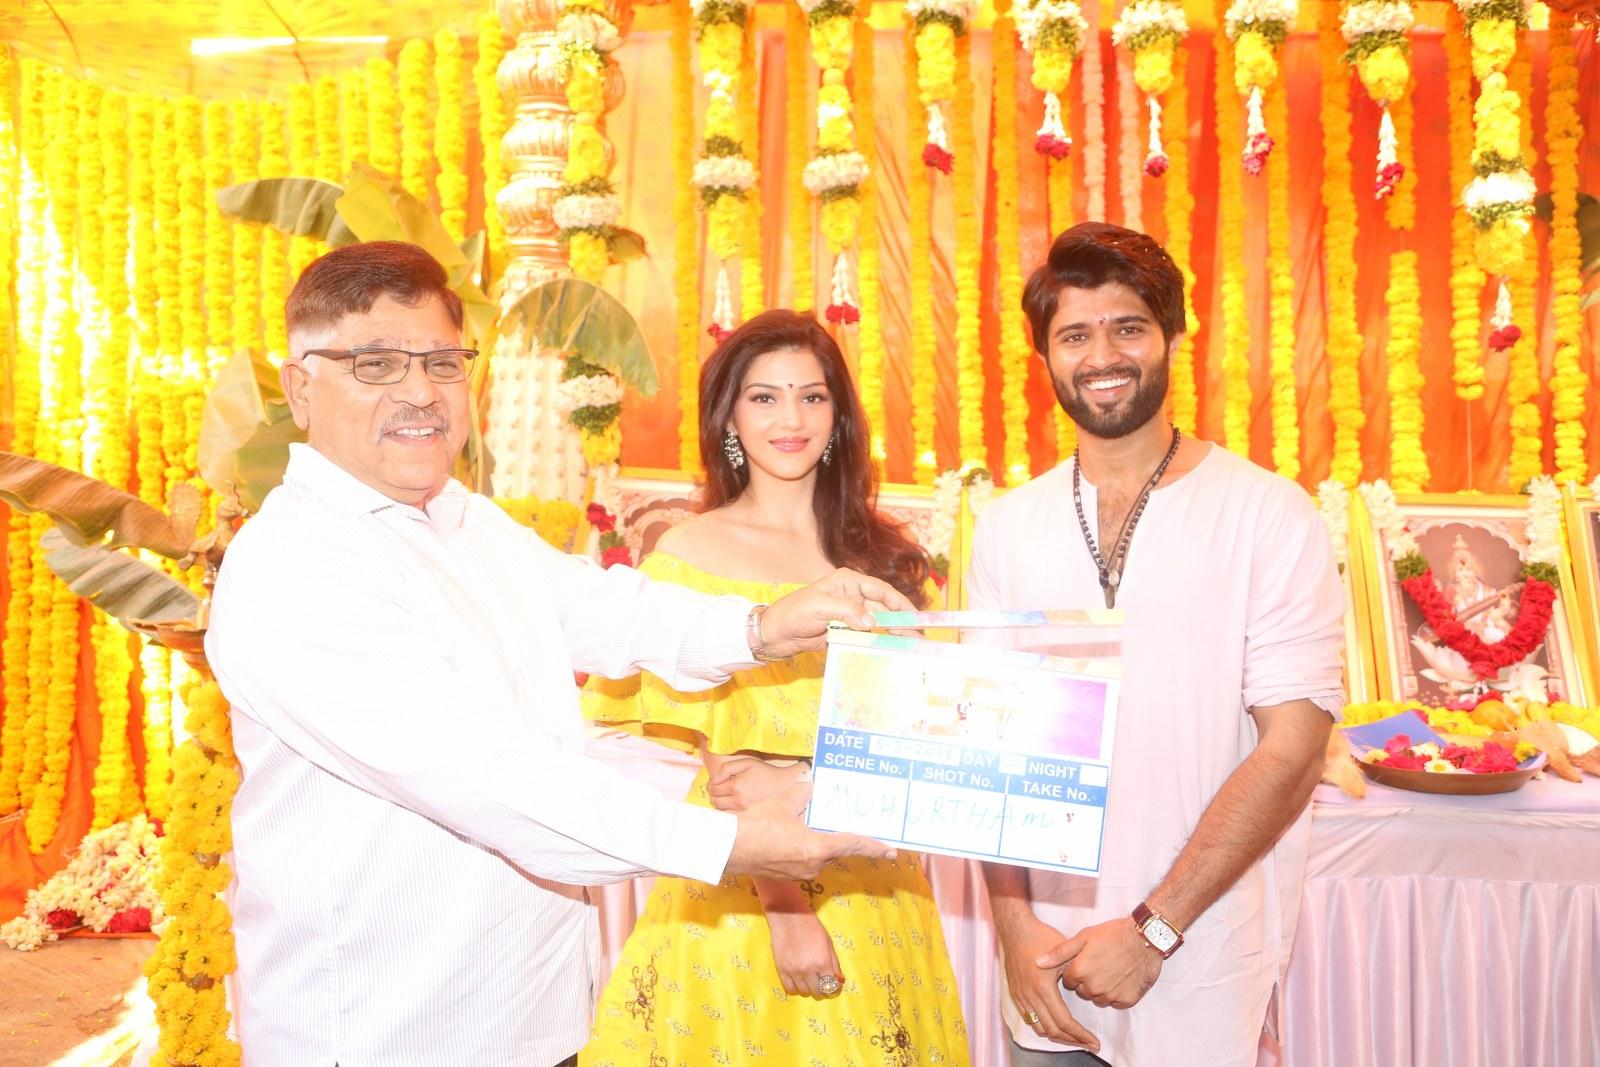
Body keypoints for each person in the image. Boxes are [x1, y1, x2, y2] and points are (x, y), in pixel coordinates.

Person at [204, 243, 914, 1067]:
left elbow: (612, 611)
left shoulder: (464, 521)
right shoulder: (297, 565)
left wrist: (766, 625)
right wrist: (735, 843)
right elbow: (487, 777)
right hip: (387, 1030)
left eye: (442, 362)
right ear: (300, 387)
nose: (420, 392)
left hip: (530, 1016)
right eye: (376, 365)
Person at [966, 223, 1345, 1067]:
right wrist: (1015, 924)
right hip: (1047, 974)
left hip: (1197, 966)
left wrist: (1153, 929)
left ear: (1173, 335)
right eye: (1075, 334)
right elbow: (987, 745)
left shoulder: (1268, 514)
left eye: (1127, 327)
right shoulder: (1006, 527)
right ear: (1045, 356)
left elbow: (1294, 748)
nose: (1102, 355)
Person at [580, 310, 972, 1066]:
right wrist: (787, 911)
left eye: (811, 396)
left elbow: (928, 735)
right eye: (764, 398)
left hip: (877, 883)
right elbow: (717, 767)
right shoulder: (688, 556)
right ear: (729, 417)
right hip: (746, 901)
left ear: (838, 415)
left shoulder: (883, 556)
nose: (791, 420)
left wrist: (801, 780)